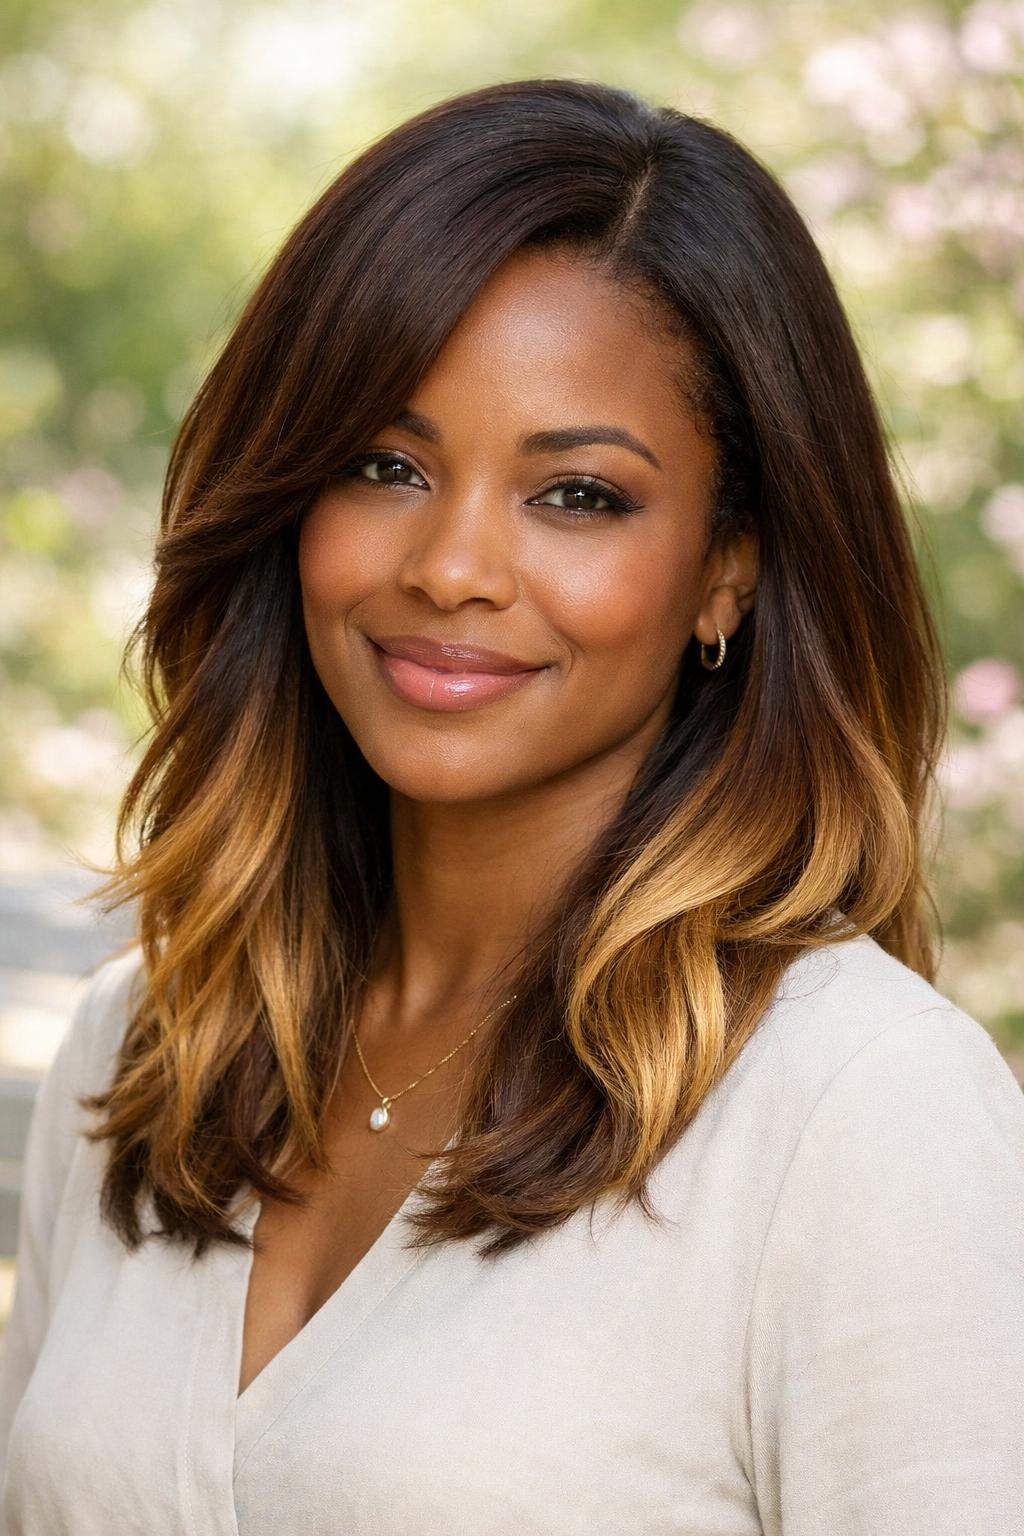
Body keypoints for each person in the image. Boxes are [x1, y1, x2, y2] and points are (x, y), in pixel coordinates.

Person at [1, 76, 1022, 1536]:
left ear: (727, 566)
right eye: (385, 465)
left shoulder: (856, 1110)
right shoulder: (148, 1045)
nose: (454, 566)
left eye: (580, 495)